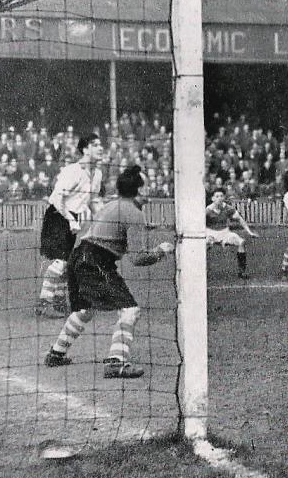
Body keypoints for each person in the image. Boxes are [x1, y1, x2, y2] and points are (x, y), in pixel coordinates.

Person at [43, 165, 174, 379]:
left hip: (80, 257)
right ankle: (116, 362)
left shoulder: (113, 205)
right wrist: (161, 251)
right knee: (130, 310)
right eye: (147, 184)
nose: (151, 187)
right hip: (96, 261)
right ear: (139, 190)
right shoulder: (133, 213)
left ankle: (56, 354)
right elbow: (137, 258)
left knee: (85, 310)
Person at [35, 134, 104, 318]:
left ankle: (58, 302)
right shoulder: (73, 171)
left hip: (72, 218)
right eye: (95, 145)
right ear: (85, 149)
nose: (100, 148)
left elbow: (94, 200)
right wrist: (71, 220)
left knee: (66, 262)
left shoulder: (97, 174)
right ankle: (44, 303)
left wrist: (103, 221)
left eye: (100, 145)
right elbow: (57, 198)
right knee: (61, 262)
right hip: (58, 215)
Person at [205, 188, 259, 279]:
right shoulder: (208, 210)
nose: (219, 198)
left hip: (224, 232)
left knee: (241, 242)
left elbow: (240, 219)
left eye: (221, 196)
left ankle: (242, 272)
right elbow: (199, 223)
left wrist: (249, 232)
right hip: (211, 232)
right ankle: (202, 270)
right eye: (217, 196)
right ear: (213, 198)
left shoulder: (228, 208)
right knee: (205, 245)